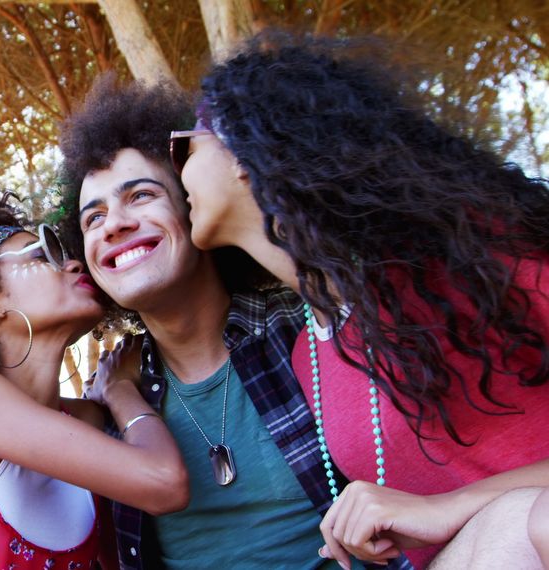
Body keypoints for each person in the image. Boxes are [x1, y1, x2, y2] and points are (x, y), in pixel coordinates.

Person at [174, 32, 549, 569]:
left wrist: (453, 508)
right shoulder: (309, 354)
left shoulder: (472, 255)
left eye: (182, 147)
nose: (176, 171)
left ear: (240, 149)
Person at [55, 76, 361, 569]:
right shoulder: (110, 403)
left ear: (193, 206)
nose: (113, 224)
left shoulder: (307, 327)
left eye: (140, 196)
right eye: (93, 219)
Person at [0, 188, 190, 569]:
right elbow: (164, 483)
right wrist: (121, 390)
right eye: (41, 253)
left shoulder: (87, 419)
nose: (74, 264)